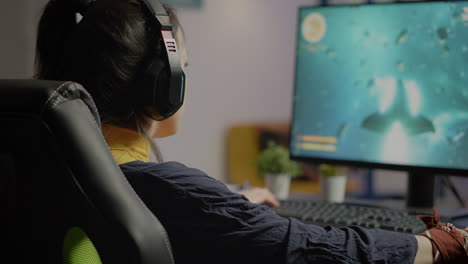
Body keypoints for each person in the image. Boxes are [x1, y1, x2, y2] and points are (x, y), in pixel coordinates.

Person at [34, 0, 468, 263]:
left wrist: (230, 204)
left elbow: (185, 216)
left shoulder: (47, 167)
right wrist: (438, 245)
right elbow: (313, 250)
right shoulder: (166, 189)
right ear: (164, 87)